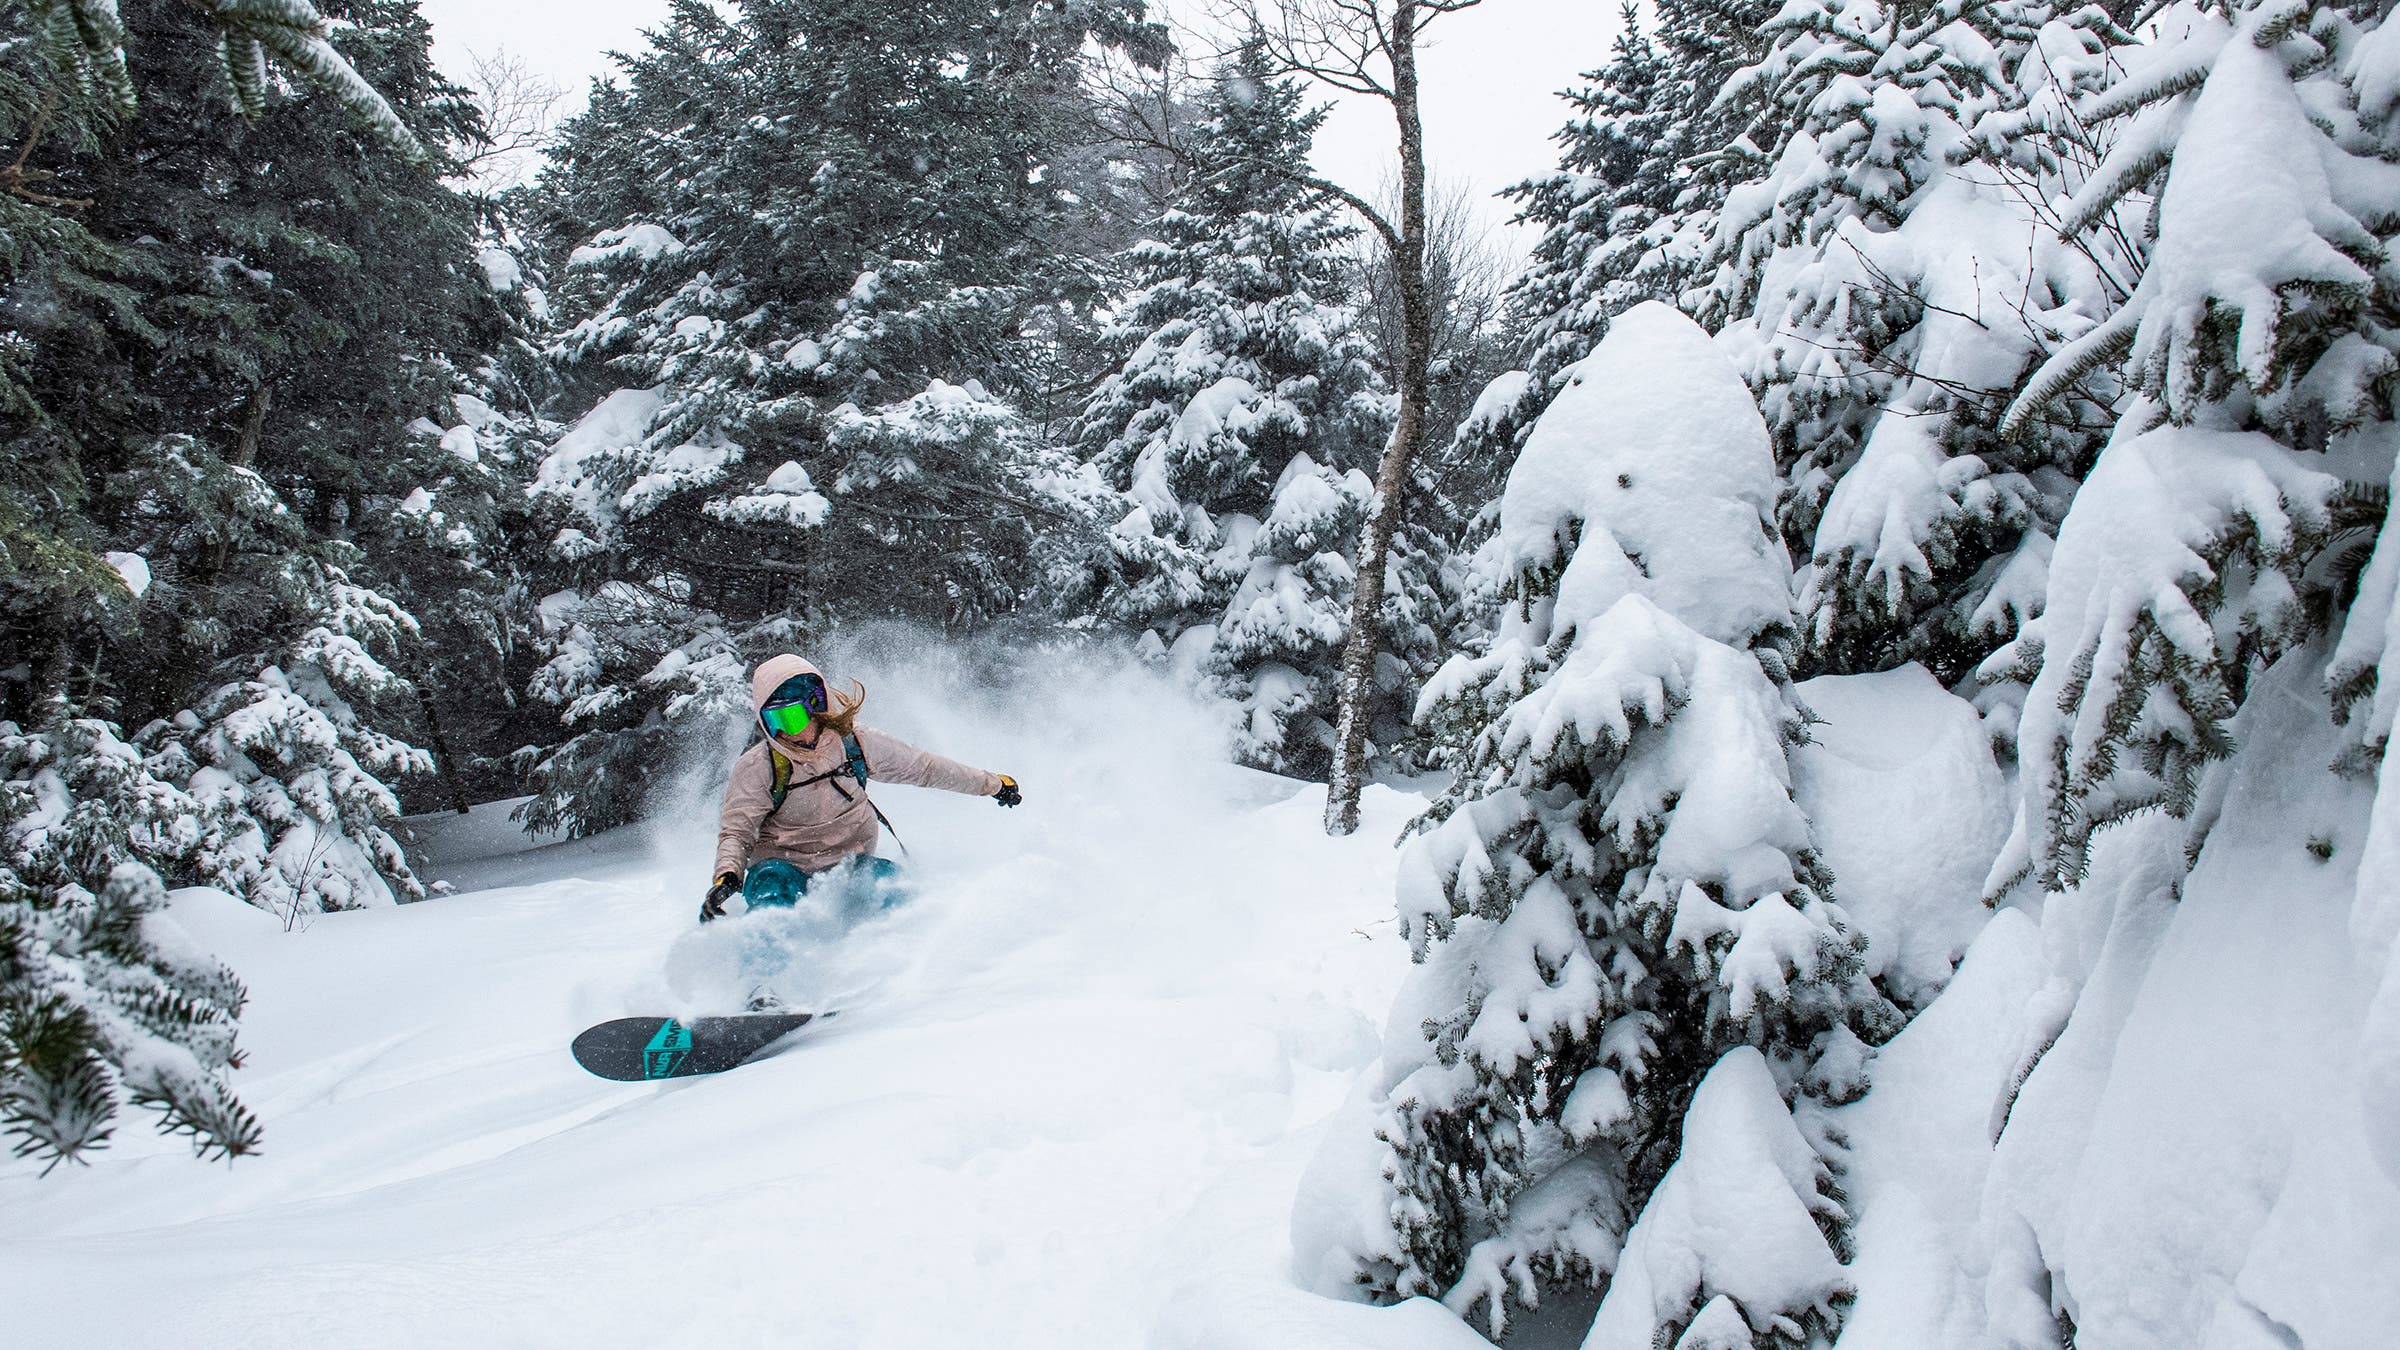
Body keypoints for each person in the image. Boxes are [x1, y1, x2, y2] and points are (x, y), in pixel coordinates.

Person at [705, 654, 1019, 937]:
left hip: (849, 865)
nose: (784, 732)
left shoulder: (855, 745)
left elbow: (926, 768)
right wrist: (728, 875)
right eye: (772, 722)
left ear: (817, 706)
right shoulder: (759, 766)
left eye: (791, 718)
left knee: (894, 887)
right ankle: (764, 984)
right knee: (771, 896)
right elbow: (737, 830)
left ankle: (914, 967)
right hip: (784, 868)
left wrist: (992, 784)